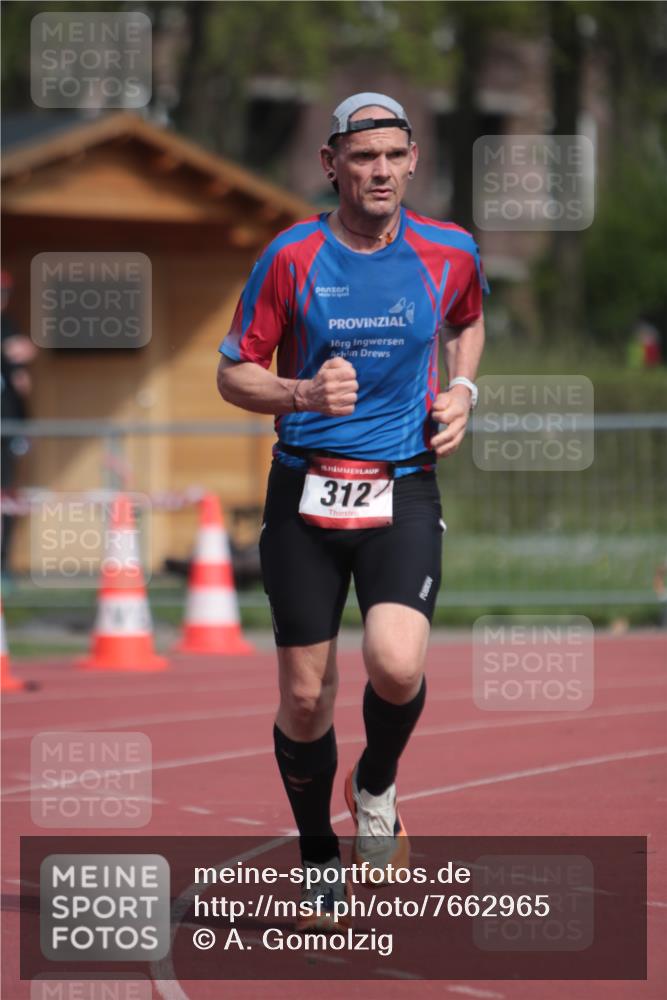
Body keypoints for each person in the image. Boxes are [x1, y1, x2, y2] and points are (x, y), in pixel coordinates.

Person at [217, 93, 487, 929]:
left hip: (401, 482)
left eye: (393, 156)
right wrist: (300, 391)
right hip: (304, 486)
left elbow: (467, 321)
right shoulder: (291, 256)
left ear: (413, 162)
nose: (379, 171)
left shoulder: (450, 250)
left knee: (396, 664)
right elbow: (233, 371)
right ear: (330, 163)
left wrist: (463, 391)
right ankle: (316, 857)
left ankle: (374, 784)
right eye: (362, 156)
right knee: (306, 697)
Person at [1, 269, 36, 577]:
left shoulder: (8, 325)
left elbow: (21, 380)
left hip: (9, 428)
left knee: (6, 495)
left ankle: (2, 564)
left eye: (5, 293)